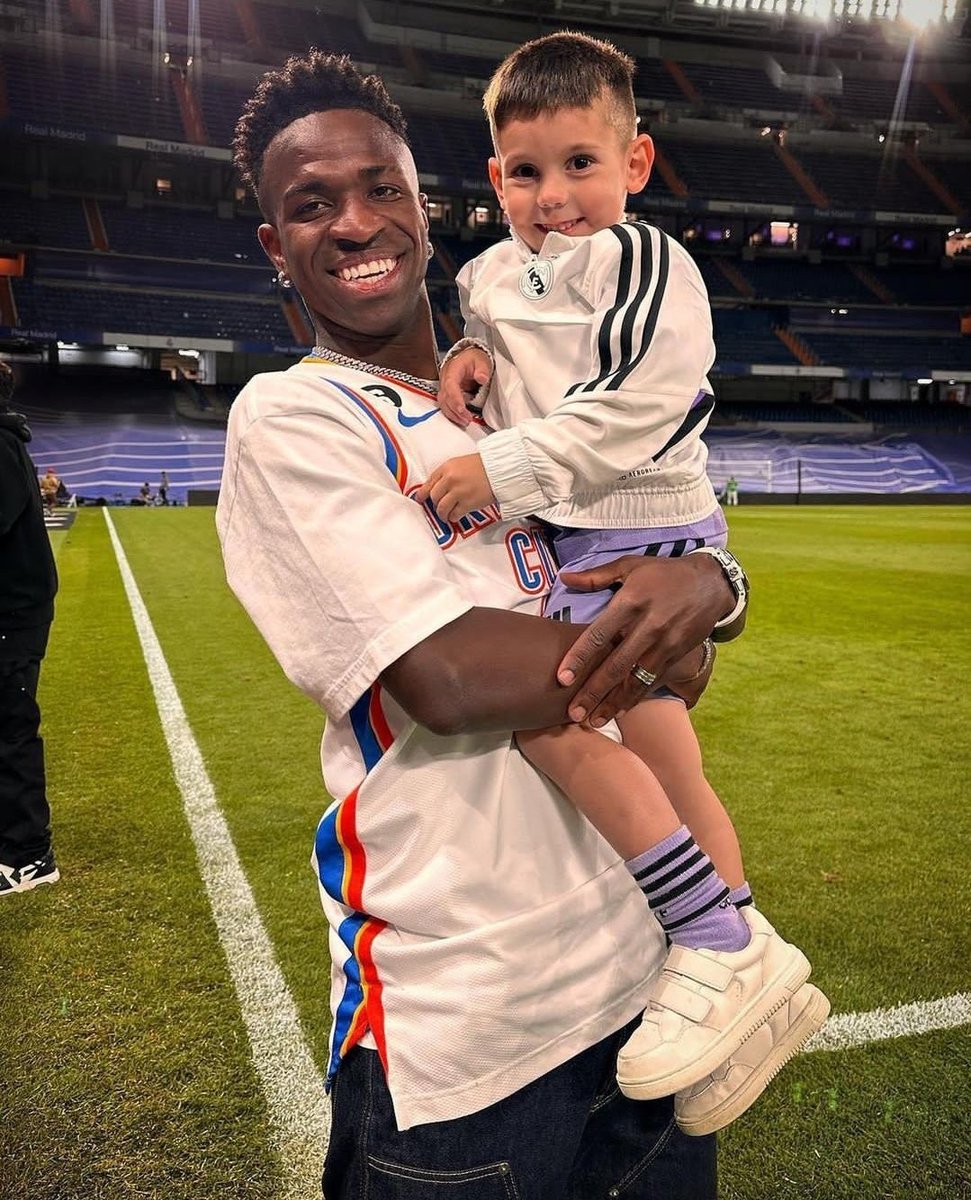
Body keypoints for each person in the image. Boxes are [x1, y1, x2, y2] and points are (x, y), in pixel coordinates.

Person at [220, 50, 757, 1199]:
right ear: (277, 245)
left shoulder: (518, 397)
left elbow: (674, 653)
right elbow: (454, 682)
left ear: (426, 206)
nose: (355, 222)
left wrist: (706, 588)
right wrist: (676, 617)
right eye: (311, 205)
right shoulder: (295, 414)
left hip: (647, 977)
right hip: (468, 1031)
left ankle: (736, 936)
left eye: (380, 189)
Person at [421, 30, 827, 1128]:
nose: (552, 196)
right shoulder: (486, 270)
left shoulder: (650, 263)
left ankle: (713, 938)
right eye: (522, 171)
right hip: (563, 536)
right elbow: (494, 335)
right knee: (643, 743)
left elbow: (628, 410)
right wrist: (467, 354)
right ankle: (750, 955)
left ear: (635, 164)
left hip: (641, 532)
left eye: (578, 164)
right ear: (493, 176)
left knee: (566, 724)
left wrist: (492, 469)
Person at [0, 361, 59, 896]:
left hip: (11, 615)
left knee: (10, 728)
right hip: (16, 609)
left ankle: (27, 855)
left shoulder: (0, 446)